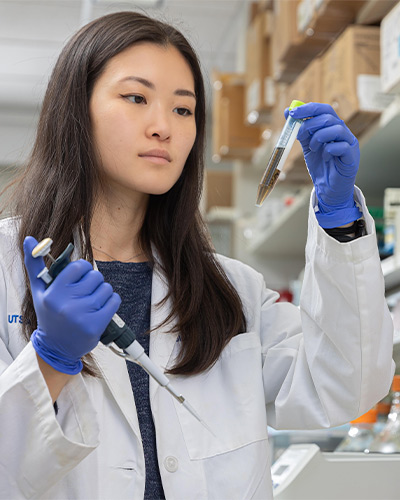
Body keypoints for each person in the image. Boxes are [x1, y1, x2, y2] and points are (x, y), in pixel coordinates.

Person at [0, 10, 394, 500]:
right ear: (75, 110)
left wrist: (338, 218)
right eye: (136, 98)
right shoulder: (8, 271)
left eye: (183, 109)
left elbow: (343, 387)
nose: (163, 127)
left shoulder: (229, 289)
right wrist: (50, 360)